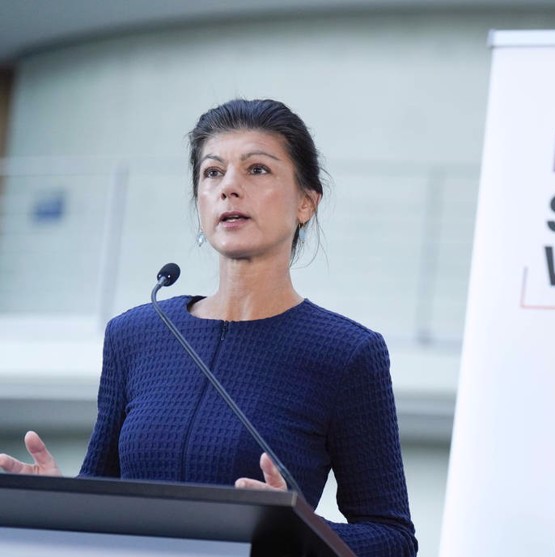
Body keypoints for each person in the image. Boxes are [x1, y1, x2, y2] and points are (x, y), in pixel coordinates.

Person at [0, 99, 418, 557]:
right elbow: (103, 492)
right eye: (212, 172)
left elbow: (393, 538)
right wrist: (56, 501)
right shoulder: (135, 335)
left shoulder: (347, 352)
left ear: (305, 202)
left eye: (257, 170)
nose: (229, 188)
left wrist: (296, 525)